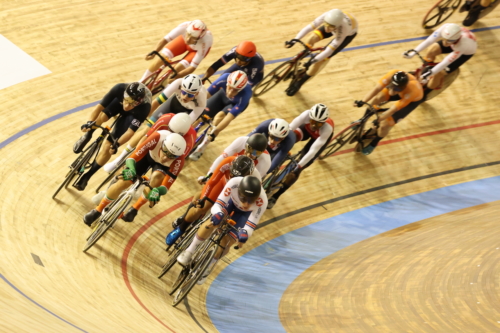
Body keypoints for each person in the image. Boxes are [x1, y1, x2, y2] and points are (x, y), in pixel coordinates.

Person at [176, 175, 267, 285]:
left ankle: (208, 267)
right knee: (211, 222)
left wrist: (244, 233)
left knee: (227, 242)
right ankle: (189, 251)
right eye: (244, 199)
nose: (247, 204)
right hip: (231, 203)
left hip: (244, 215)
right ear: (239, 191)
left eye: (251, 201)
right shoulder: (234, 183)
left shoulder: (262, 201)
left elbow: (250, 225)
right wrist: (218, 214)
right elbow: (217, 205)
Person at [102, 75, 204, 172]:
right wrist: (143, 117)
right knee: (147, 130)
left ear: (197, 93)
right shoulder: (178, 82)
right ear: (181, 87)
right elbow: (157, 102)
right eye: (183, 92)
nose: (185, 96)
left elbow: (186, 125)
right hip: (171, 106)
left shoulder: (201, 102)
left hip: (183, 117)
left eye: (190, 95)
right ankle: (119, 159)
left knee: (166, 140)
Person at [83, 131, 187, 226]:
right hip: (147, 156)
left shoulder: (180, 160)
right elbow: (132, 158)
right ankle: (98, 210)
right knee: (124, 182)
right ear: (163, 144)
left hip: (161, 168)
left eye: (171, 156)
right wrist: (131, 169)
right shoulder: (157, 137)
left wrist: (157, 190)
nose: (165, 158)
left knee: (156, 179)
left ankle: (135, 208)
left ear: (177, 156)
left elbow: (166, 187)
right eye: (165, 152)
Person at [93, 113, 195, 204]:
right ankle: (109, 189)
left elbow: (175, 164)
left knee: (157, 178)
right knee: (131, 164)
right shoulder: (165, 120)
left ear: (182, 135)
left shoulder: (188, 141)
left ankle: (137, 204)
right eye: (170, 131)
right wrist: (136, 155)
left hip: (165, 158)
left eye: (175, 133)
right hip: (155, 145)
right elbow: (146, 137)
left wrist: (156, 187)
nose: (171, 134)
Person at [73, 82, 152, 191]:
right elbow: (99, 108)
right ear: (124, 95)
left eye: (132, 104)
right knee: (103, 116)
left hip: (133, 115)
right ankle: (88, 134)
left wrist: (117, 144)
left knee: (107, 147)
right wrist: (89, 123)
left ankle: (87, 176)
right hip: (118, 103)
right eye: (127, 101)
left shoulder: (144, 108)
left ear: (138, 103)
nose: (127, 106)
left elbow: (130, 132)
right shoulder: (119, 88)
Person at [165, 155, 259, 245]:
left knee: (224, 219)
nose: (232, 177)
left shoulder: (255, 178)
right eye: (231, 174)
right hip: (222, 184)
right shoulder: (228, 162)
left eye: (236, 177)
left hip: (237, 194)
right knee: (202, 207)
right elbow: (211, 182)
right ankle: (181, 228)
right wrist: (203, 199)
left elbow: (249, 201)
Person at [267, 104, 334, 209]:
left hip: (318, 140)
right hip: (306, 131)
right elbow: (289, 129)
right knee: (290, 137)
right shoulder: (306, 114)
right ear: (310, 117)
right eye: (312, 121)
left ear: (324, 122)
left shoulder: (327, 129)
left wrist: (299, 166)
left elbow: (313, 150)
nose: (315, 125)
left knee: (296, 171)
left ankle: (276, 196)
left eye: (318, 124)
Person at [284, 9, 358, 96]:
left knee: (320, 61)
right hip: (335, 27)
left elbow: (329, 50)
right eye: (326, 25)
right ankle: (303, 57)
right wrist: (294, 40)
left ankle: (300, 83)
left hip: (346, 36)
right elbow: (309, 27)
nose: (326, 29)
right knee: (312, 38)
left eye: (329, 27)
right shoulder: (327, 17)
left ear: (337, 25)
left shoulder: (343, 29)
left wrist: (312, 61)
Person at [353, 70, 423, 156]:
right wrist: (362, 101)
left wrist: (378, 120)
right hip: (400, 91)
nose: (394, 91)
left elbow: (393, 110)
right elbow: (376, 89)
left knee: (385, 125)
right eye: (394, 87)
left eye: (397, 89)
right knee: (377, 98)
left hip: (411, 100)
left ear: (403, 87)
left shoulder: (411, 91)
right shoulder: (391, 75)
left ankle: (374, 143)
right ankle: (362, 120)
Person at [189, 70, 253, 160]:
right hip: (221, 95)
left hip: (234, 104)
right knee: (201, 116)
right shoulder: (223, 79)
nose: (230, 93)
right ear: (227, 83)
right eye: (230, 88)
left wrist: (215, 132)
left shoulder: (246, 95)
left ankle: (203, 145)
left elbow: (228, 118)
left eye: (235, 91)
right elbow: (204, 97)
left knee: (219, 116)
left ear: (240, 90)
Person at [403, 23, 476, 91]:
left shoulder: (463, 45)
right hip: (453, 44)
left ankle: (427, 91)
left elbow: (445, 62)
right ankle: (426, 68)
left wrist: (428, 75)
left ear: (456, 38)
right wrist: (413, 52)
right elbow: (429, 41)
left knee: (439, 72)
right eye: (444, 39)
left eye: (448, 41)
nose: (444, 43)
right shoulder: (445, 28)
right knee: (432, 50)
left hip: (464, 53)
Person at [139, 20, 213, 83]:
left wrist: (177, 76)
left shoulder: (205, 42)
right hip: (182, 42)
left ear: (199, 38)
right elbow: (164, 40)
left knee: (177, 69)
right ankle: (141, 81)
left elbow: (192, 68)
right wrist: (154, 52)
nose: (188, 39)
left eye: (192, 38)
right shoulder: (184, 26)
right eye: (188, 34)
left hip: (196, 51)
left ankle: (162, 88)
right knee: (162, 57)